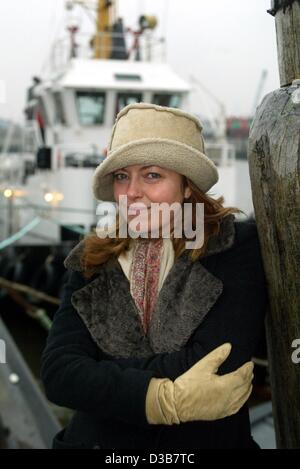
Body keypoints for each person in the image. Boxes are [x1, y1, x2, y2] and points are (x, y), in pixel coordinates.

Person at [41, 103, 268, 449]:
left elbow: (220, 362)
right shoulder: (92, 259)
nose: (131, 192)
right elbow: (59, 375)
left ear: (187, 186)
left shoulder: (233, 249)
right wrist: (163, 400)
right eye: (121, 176)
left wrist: (101, 375)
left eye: (151, 175)